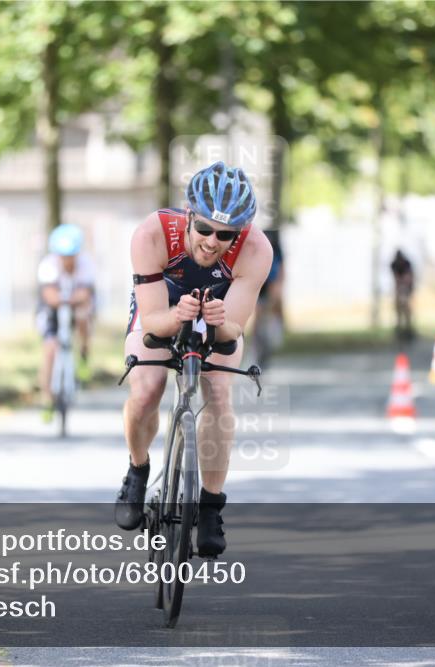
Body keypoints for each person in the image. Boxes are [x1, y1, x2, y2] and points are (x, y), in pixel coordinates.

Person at [116, 161, 273, 557]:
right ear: (188, 217)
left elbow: (233, 330)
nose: (212, 241)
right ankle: (137, 469)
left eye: (225, 234)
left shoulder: (256, 249)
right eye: (204, 228)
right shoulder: (152, 234)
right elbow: (152, 320)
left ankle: (209, 505)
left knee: (219, 395)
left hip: (218, 311)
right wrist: (177, 316)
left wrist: (218, 324)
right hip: (163, 306)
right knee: (147, 388)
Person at [36, 224, 96, 422]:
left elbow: (85, 295)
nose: (68, 260)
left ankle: (83, 354)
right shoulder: (48, 266)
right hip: (51, 310)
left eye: (71, 255)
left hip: (75, 306)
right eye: (63, 256)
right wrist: (70, 298)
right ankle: (47, 398)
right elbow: (50, 297)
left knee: (83, 316)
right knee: (50, 349)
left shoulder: (86, 265)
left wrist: (71, 299)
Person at [252, 228, 285, 368]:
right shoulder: (257, 244)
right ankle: (257, 349)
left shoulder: (277, 248)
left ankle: (273, 340)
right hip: (260, 285)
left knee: (273, 313)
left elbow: (281, 269)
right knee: (258, 319)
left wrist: (278, 287)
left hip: (271, 285)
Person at [390, 249, 415, 341]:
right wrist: (398, 288)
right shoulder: (393, 264)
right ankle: (399, 328)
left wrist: (406, 288)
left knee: (406, 307)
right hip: (399, 286)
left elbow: (408, 277)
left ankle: (408, 328)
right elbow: (395, 277)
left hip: (407, 286)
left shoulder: (407, 263)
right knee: (398, 308)